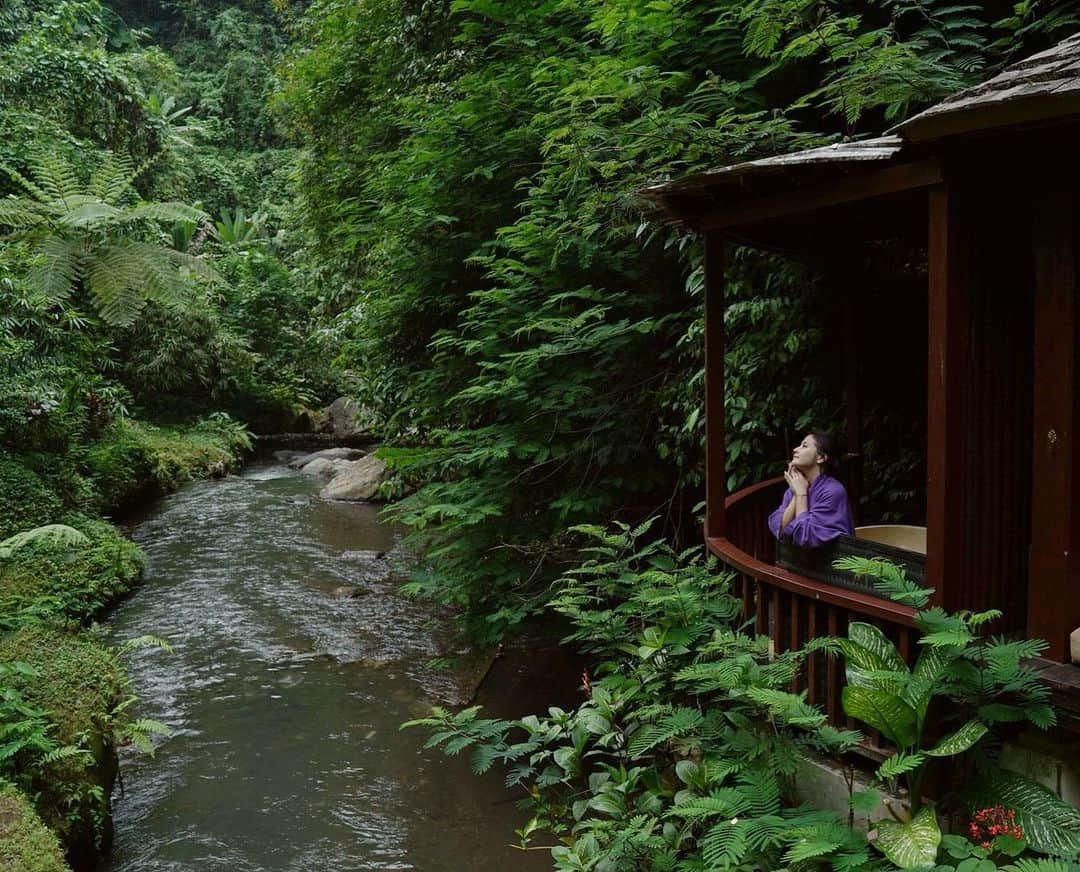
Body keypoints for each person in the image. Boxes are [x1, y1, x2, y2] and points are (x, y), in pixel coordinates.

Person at [767, 432, 853, 547]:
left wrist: (802, 494)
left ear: (821, 457)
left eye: (804, 446)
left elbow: (805, 537)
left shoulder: (833, 491)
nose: (795, 449)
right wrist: (797, 494)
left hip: (832, 562)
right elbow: (779, 529)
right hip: (798, 561)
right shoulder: (795, 487)